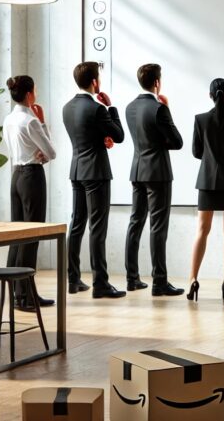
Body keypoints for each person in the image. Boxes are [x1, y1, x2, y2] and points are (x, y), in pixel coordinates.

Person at [62, 61, 127, 299]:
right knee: (97, 228)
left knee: (77, 225)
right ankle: (100, 283)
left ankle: (73, 279)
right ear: (94, 82)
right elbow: (119, 135)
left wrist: (102, 140)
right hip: (97, 173)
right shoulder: (98, 108)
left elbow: (86, 136)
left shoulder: (67, 108)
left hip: (76, 171)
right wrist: (111, 107)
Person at [124, 64, 185, 296]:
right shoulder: (159, 108)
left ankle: (132, 279)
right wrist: (166, 108)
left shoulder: (130, 107)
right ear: (157, 82)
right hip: (157, 173)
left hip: (137, 171)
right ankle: (159, 282)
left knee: (135, 223)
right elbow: (177, 141)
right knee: (158, 227)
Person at [188, 78, 224, 303]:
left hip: (207, 181)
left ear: (210, 95)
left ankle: (193, 279)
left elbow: (196, 152)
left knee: (202, 231)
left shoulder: (200, 120)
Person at [2, 75, 57, 310]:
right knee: (31, 236)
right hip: (32, 177)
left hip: (15, 175)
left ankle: (19, 292)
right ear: (28, 95)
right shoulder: (31, 121)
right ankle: (25, 295)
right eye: (34, 90)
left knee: (18, 235)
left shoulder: (8, 119)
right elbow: (51, 152)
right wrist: (42, 122)